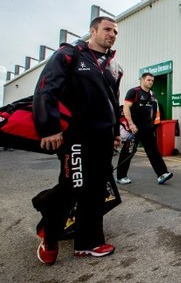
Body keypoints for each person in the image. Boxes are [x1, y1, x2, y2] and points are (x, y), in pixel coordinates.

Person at [32, 16, 123, 264]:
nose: (112, 34)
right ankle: (49, 235)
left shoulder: (115, 67)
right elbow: (45, 88)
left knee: (95, 190)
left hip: (103, 137)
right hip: (75, 136)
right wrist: (49, 127)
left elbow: (113, 102)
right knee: (73, 185)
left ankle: (88, 242)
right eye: (107, 29)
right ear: (92, 31)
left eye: (115, 31)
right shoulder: (70, 55)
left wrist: (115, 131)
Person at [116, 72, 173, 185]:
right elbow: (126, 108)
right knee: (128, 152)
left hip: (147, 129)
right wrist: (131, 124)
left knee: (153, 152)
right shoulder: (134, 92)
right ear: (142, 80)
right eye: (148, 80)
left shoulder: (153, 95)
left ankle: (162, 174)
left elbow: (153, 112)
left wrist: (153, 125)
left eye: (152, 80)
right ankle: (121, 176)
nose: (151, 82)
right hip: (134, 128)